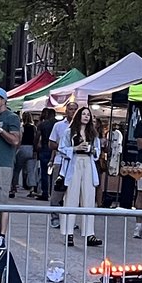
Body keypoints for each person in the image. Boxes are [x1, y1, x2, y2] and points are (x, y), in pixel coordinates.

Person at [50, 99, 105, 246]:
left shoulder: (93, 134)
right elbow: (61, 148)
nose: (86, 117)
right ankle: (68, 233)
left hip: (88, 164)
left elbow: (97, 152)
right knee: (71, 198)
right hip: (74, 163)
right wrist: (75, 148)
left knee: (89, 199)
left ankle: (89, 234)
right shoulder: (69, 132)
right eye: (84, 114)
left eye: (89, 115)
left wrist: (92, 150)